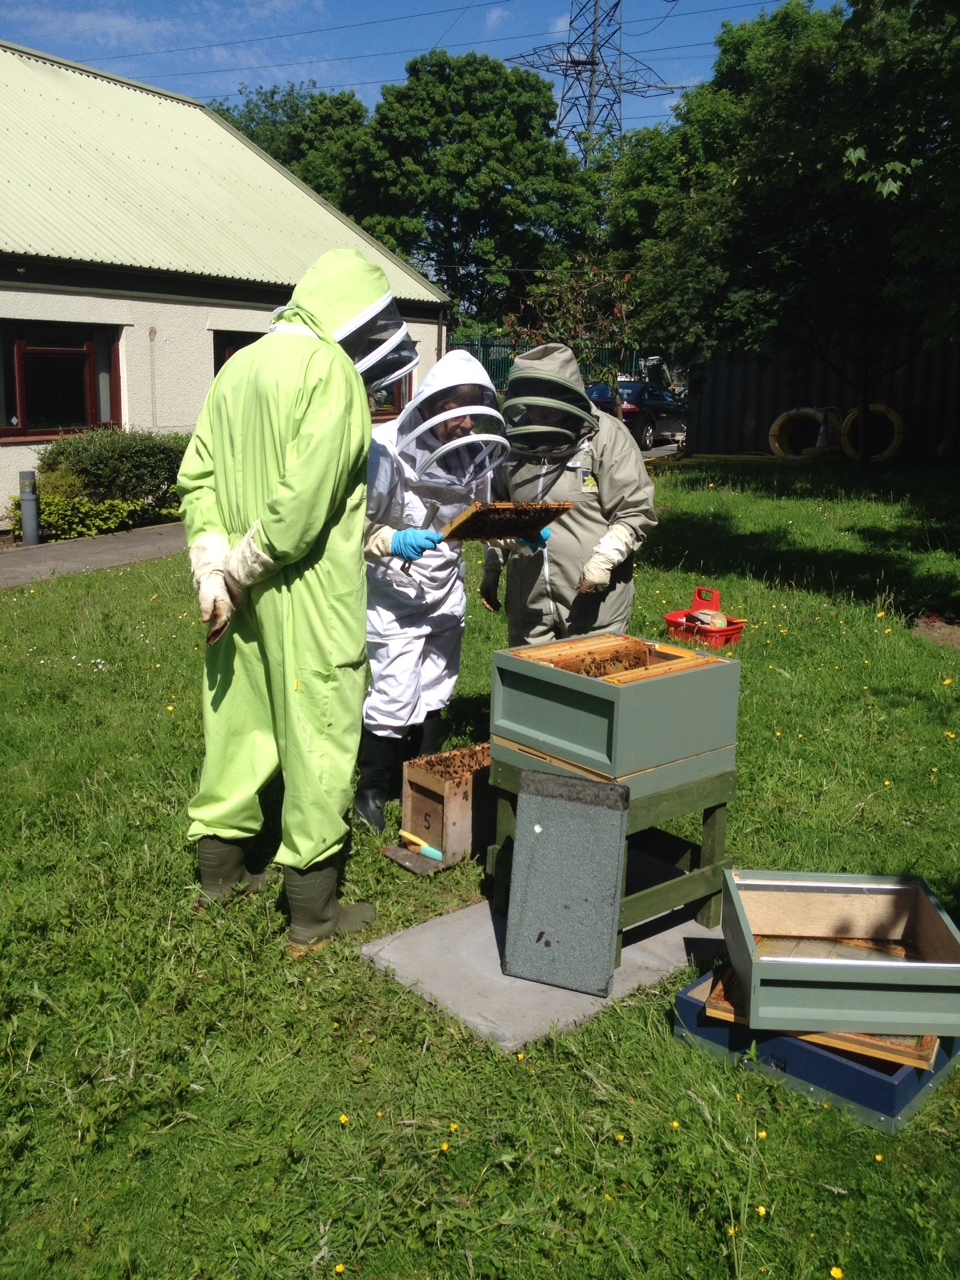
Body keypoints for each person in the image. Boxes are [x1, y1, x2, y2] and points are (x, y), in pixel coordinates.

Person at [177, 247, 419, 949]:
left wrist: (213, 573)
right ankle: (313, 916)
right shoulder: (332, 374)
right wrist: (243, 568)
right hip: (308, 596)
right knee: (317, 741)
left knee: (237, 726)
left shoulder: (236, 368)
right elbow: (301, 508)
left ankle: (218, 880)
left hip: (231, 601)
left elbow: (199, 482)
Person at [354, 349, 508, 831]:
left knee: (437, 687)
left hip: (446, 588)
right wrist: (392, 540)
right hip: (395, 593)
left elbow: (473, 518)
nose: (465, 423)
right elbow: (350, 528)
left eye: (472, 409)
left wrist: (513, 530)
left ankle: (419, 784)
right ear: (431, 404)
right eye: (455, 409)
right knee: (395, 694)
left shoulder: (473, 452)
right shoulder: (383, 451)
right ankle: (370, 793)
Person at [481, 343, 657, 646]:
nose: (538, 411)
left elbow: (635, 510)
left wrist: (604, 559)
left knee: (592, 684)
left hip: (592, 600)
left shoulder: (606, 437)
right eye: (533, 402)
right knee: (532, 686)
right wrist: (492, 569)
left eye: (547, 401)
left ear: (567, 396)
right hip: (530, 599)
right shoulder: (512, 444)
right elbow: (499, 510)